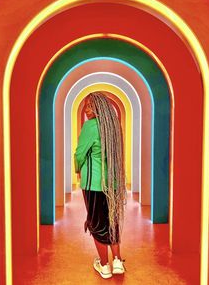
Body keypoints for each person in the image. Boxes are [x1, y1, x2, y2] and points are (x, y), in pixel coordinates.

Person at [74, 92, 127, 279]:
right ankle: (118, 261)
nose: (87, 110)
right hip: (111, 182)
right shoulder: (113, 126)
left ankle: (104, 265)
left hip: (93, 184)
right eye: (86, 106)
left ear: (99, 107)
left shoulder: (90, 126)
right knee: (112, 221)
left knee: (97, 223)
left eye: (90, 106)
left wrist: (77, 169)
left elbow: (80, 154)